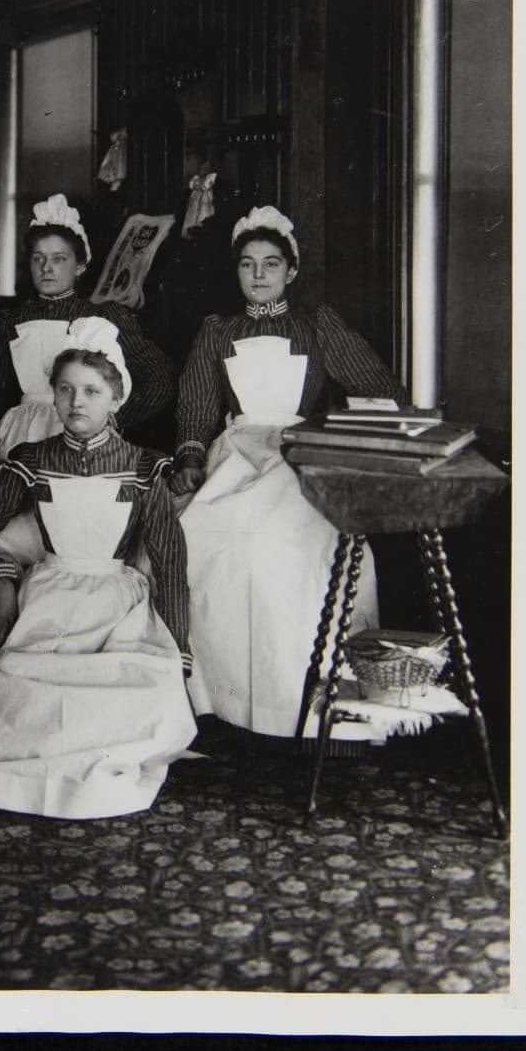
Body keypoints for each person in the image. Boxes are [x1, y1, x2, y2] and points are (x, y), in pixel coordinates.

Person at [0, 319, 200, 819]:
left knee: (137, 702)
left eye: (91, 390)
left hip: (116, 604)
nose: (76, 402)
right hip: (50, 601)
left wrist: (180, 652)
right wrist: (0, 582)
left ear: (116, 397)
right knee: (22, 709)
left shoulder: (146, 468)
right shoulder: (31, 460)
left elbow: (170, 565)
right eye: (65, 390)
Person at [170, 205, 407, 742]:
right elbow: (197, 402)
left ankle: (295, 705)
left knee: (282, 546)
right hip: (235, 453)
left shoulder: (316, 324)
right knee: (201, 538)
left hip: (297, 452)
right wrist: (189, 455)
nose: (258, 275)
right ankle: (218, 701)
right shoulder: (217, 330)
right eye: (247, 264)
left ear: (291, 271)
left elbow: (377, 387)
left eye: (271, 264)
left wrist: (340, 440)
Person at [0, 193, 176, 473]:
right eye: (38, 258)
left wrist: (112, 415)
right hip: (21, 436)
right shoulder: (9, 323)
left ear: (80, 266)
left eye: (59, 258)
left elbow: (159, 376)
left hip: (87, 436)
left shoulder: (103, 316)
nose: (47, 268)